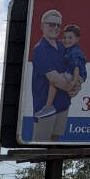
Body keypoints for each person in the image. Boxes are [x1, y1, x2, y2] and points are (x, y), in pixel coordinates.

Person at [30, 9, 82, 141]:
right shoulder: (40, 49)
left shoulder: (63, 46)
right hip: (45, 108)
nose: (55, 28)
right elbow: (55, 80)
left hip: (63, 102)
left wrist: (77, 86)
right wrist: (72, 88)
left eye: (58, 25)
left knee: (55, 143)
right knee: (41, 145)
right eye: (51, 24)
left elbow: (74, 68)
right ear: (42, 25)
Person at [35, 23, 87, 119]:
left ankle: (48, 106)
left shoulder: (75, 52)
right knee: (57, 80)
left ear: (77, 39)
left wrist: (73, 84)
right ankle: (54, 104)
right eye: (64, 37)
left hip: (76, 76)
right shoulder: (68, 48)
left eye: (70, 38)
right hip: (72, 75)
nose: (66, 40)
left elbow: (76, 70)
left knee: (54, 81)